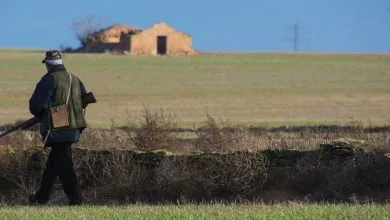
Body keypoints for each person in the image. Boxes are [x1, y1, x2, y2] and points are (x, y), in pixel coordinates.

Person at [28, 49, 89, 206]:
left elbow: (36, 105)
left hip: (58, 128)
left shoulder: (48, 80)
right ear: (61, 62)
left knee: (65, 165)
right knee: (53, 164)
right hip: (75, 126)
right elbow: (84, 100)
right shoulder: (74, 78)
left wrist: (42, 115)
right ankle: (41, 197)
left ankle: (76, 200)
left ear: (48, 64)